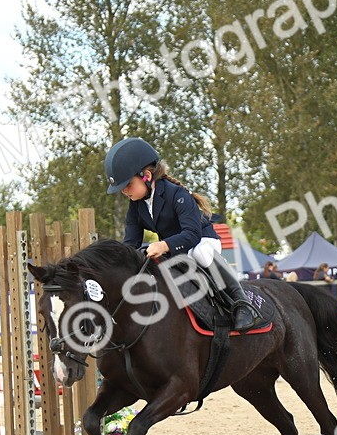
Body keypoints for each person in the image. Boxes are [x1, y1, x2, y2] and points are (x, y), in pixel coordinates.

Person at [106, 137, 264, 331]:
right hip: (177, 247)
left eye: (128, 185)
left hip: (202, 240)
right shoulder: (136, 206)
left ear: (146, 175)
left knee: (200, 254)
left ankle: (243, 305)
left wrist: (163, 245)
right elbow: (131, 243)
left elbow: (192, 235)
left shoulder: (177, 194)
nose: (124, 191)